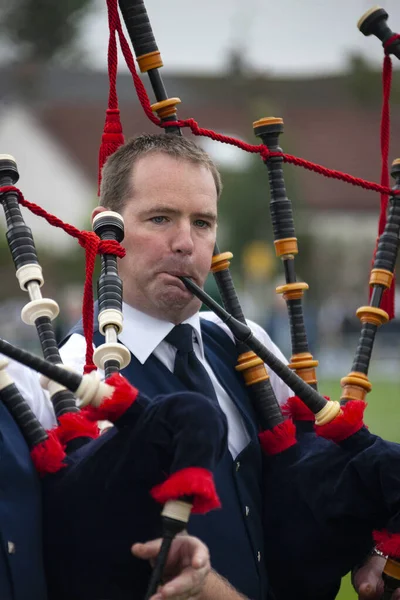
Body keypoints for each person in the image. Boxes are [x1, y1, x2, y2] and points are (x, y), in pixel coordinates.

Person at [6, 132, 399, 599]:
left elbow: (312, 478)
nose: (185, 244)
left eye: (203, 222)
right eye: (160, 218)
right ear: (105, 230)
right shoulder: (62, 379)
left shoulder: (244, 342)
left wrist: (376, 543)